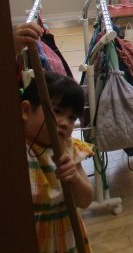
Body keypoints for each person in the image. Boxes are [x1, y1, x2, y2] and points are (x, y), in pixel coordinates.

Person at [21, 71, 94, 253]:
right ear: (26, 111)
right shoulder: (16, 151)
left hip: (66, 239)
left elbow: (85, 200)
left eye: (72, 118)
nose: (65, 123)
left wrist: (75, 179)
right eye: (57, 111)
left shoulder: (68, 149)